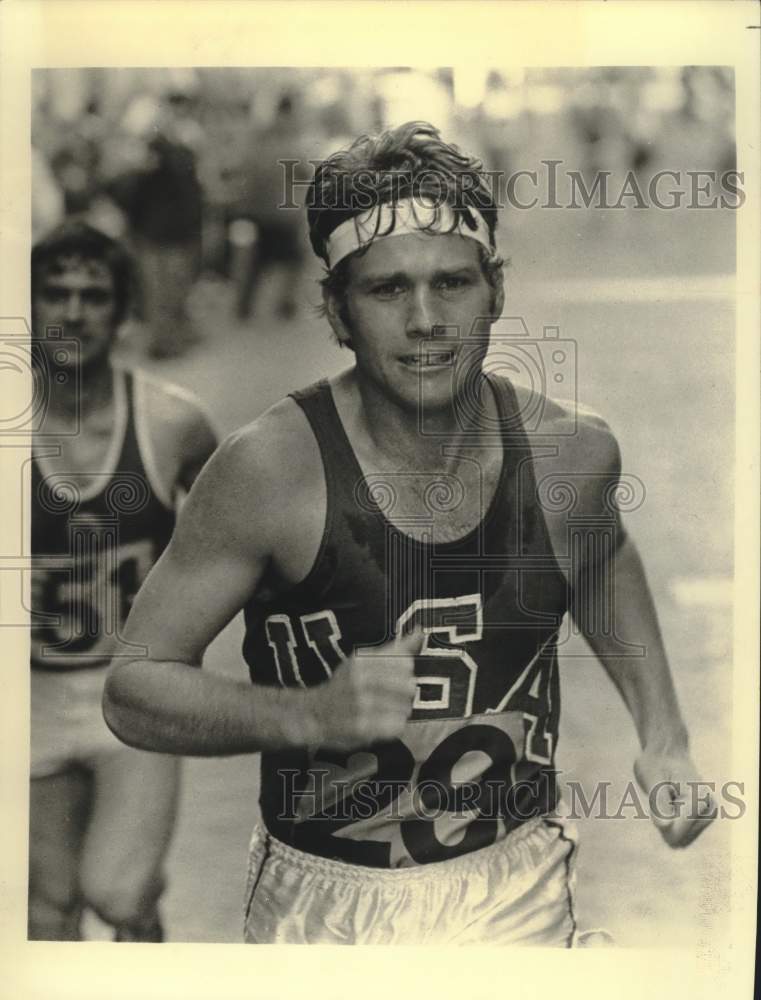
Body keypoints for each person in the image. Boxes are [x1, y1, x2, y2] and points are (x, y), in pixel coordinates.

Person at [103, 122, 714, 946]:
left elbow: (599, 557)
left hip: (515, 886)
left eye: (451, 283)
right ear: (336, 311)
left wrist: (663, 735)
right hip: (320, 904)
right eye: (387, 290)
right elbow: (134, 688)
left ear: (494, 290)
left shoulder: (570, 452)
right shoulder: (270, 471)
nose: (425, 320)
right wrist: (306, 716)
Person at [29, 221, 217, 940]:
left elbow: (239, 542)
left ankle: (143, 933)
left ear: (122, 310)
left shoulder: (173, 422)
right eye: (56, 293)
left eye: (94, 295)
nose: (74, 312)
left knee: (118, 891)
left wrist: (187, 650)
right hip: (29, 696)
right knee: (46, 911)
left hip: (132, 691)